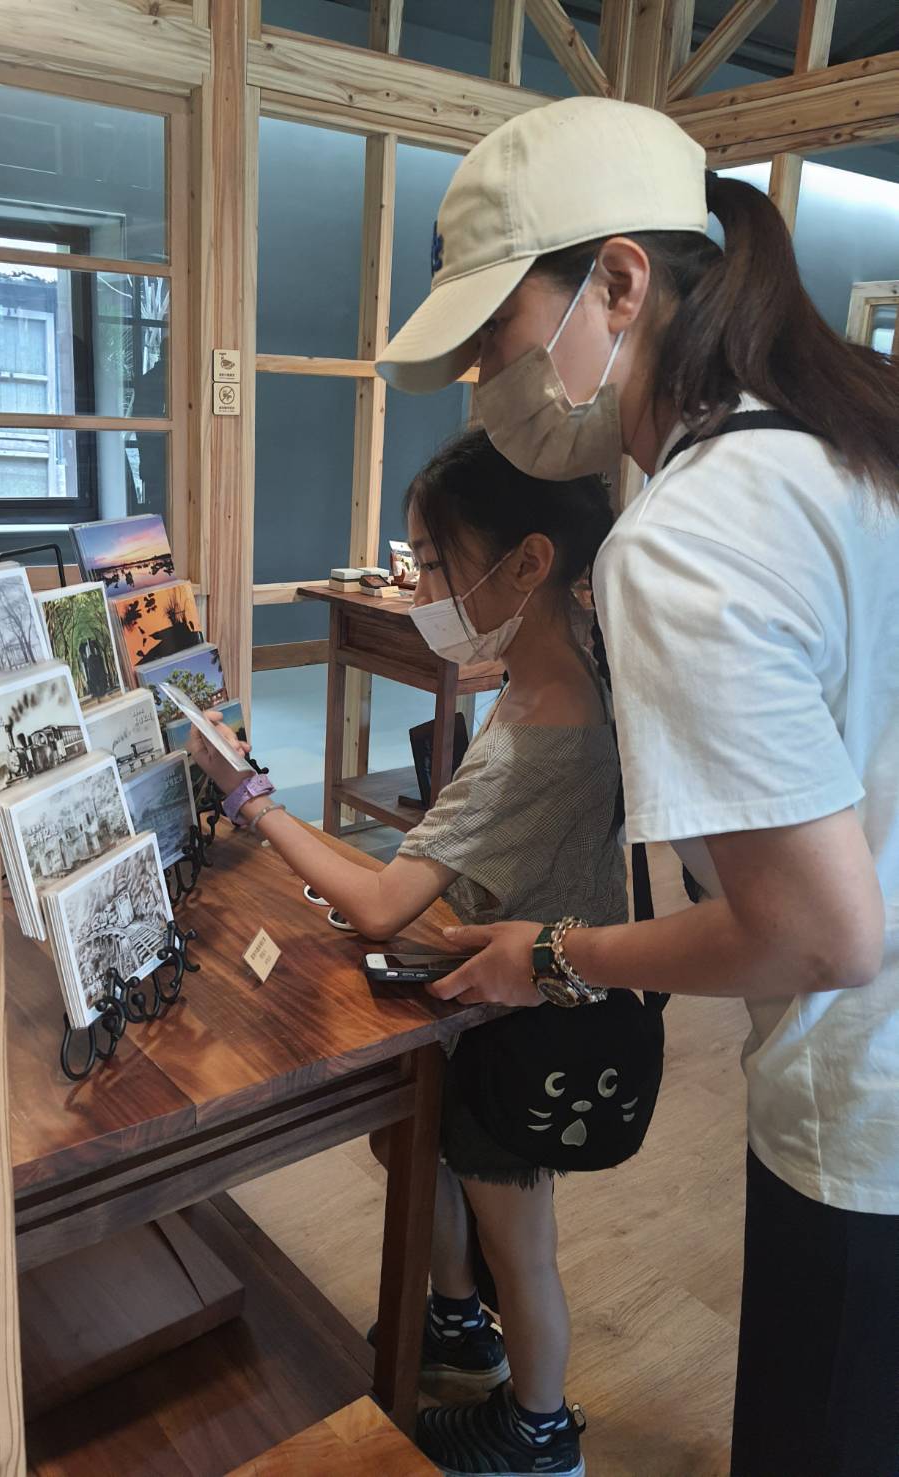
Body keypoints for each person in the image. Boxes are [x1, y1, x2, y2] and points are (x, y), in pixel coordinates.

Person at [375, 95, 899, 1477]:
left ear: (618, 282)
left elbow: (821, 934)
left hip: (869, 1099)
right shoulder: (841, 441)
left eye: (494, 336)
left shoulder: (682, 539)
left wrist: (552, 953)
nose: (486, 384)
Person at [187, 428, 665, 1477]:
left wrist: (252, 798)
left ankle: (539, 1432)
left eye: (437, 564)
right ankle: (454, 1326)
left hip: (529, 1027)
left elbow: (379, 903)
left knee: (520, 1245)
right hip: (501, 997)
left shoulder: (539, 732)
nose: (421, 591)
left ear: (528, 564)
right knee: (416, 1146)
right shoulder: (564, 673)